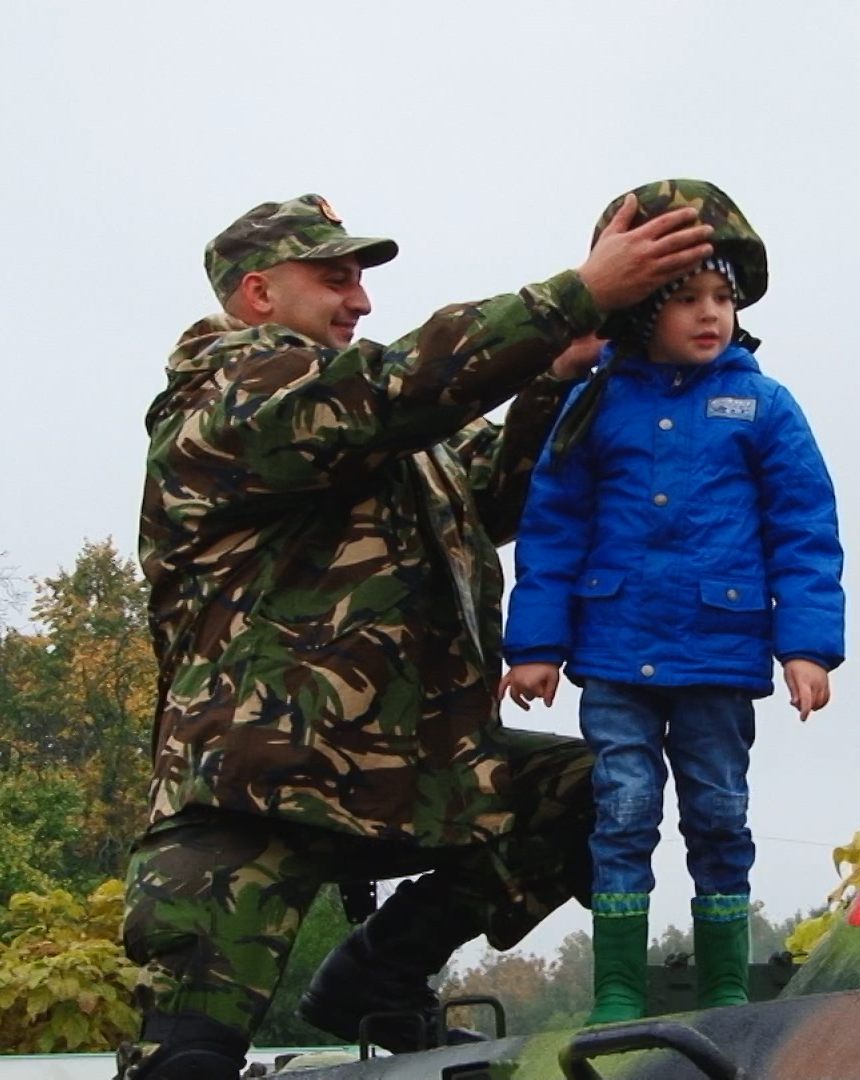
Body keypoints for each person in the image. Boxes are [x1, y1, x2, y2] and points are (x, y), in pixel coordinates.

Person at [120, 192, 714, 1078]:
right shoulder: (227, 399)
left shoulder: (402, 438)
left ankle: (380, 974)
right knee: (186, 1066)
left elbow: (502, 490)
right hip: (253, 794)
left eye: (359, 281)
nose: (360, 300)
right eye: (335, 280)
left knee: (603, 789)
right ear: (258, 294)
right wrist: (575, 295)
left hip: (411, 770)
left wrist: (555, 378)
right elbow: (395, 391)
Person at [499, 180, 846, 1024]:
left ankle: (724, 984)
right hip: (615, 651)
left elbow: (805, 529)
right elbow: (553, 526)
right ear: (642, 310)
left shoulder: (764, 406)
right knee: (621, 811)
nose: (710, 314)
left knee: (719, 813)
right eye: (687, 298)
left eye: (722, 298)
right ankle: (618, 986)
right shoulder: (595, 403)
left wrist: (807, 646)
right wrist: (535, 646)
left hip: (718, 651)